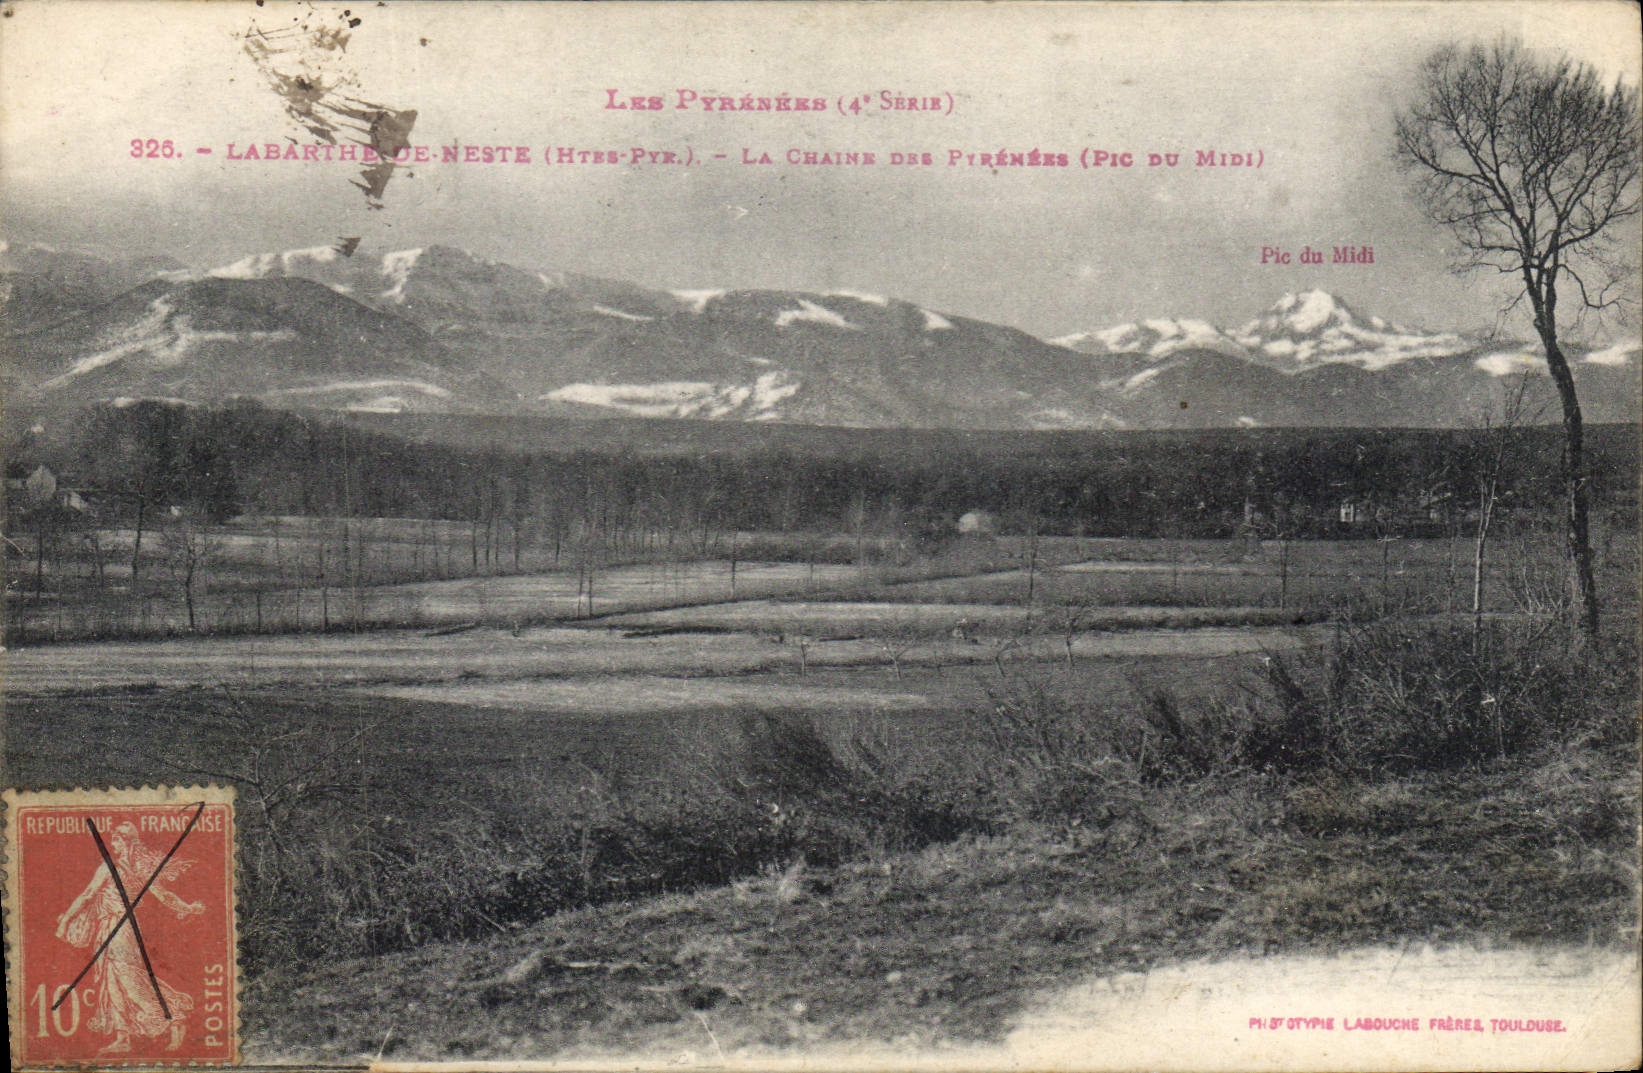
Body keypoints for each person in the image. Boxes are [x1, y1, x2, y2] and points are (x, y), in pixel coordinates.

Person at [55, 821, 204, 1053]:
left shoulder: (117, 868)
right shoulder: (130, 868)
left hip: (120, 927)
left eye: (116, 839)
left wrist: (65, 921)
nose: (113, 843)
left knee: (129, 979)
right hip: (108, 927)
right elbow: (163, 895)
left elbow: (87, 895)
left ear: (126, 842)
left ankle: (175, 1017)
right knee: (111, 981)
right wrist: (187, 907)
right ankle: (123, 1037)